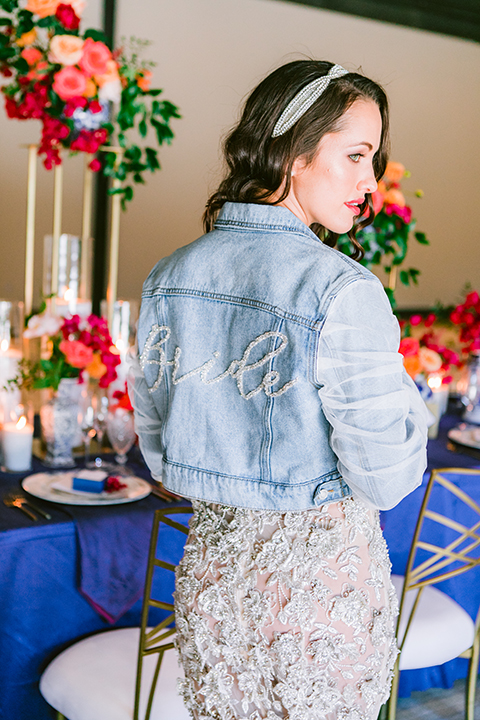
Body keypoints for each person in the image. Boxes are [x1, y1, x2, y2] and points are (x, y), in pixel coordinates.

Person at [129, 59, 428, 720]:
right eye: (355, 155)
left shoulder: (169, 276)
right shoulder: (340, 290)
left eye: (372, 160)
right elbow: (385, 478)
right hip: (316, 600)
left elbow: (158, 455)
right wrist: (414, 402)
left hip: (212, 586)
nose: (369, 181)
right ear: (294, 152)